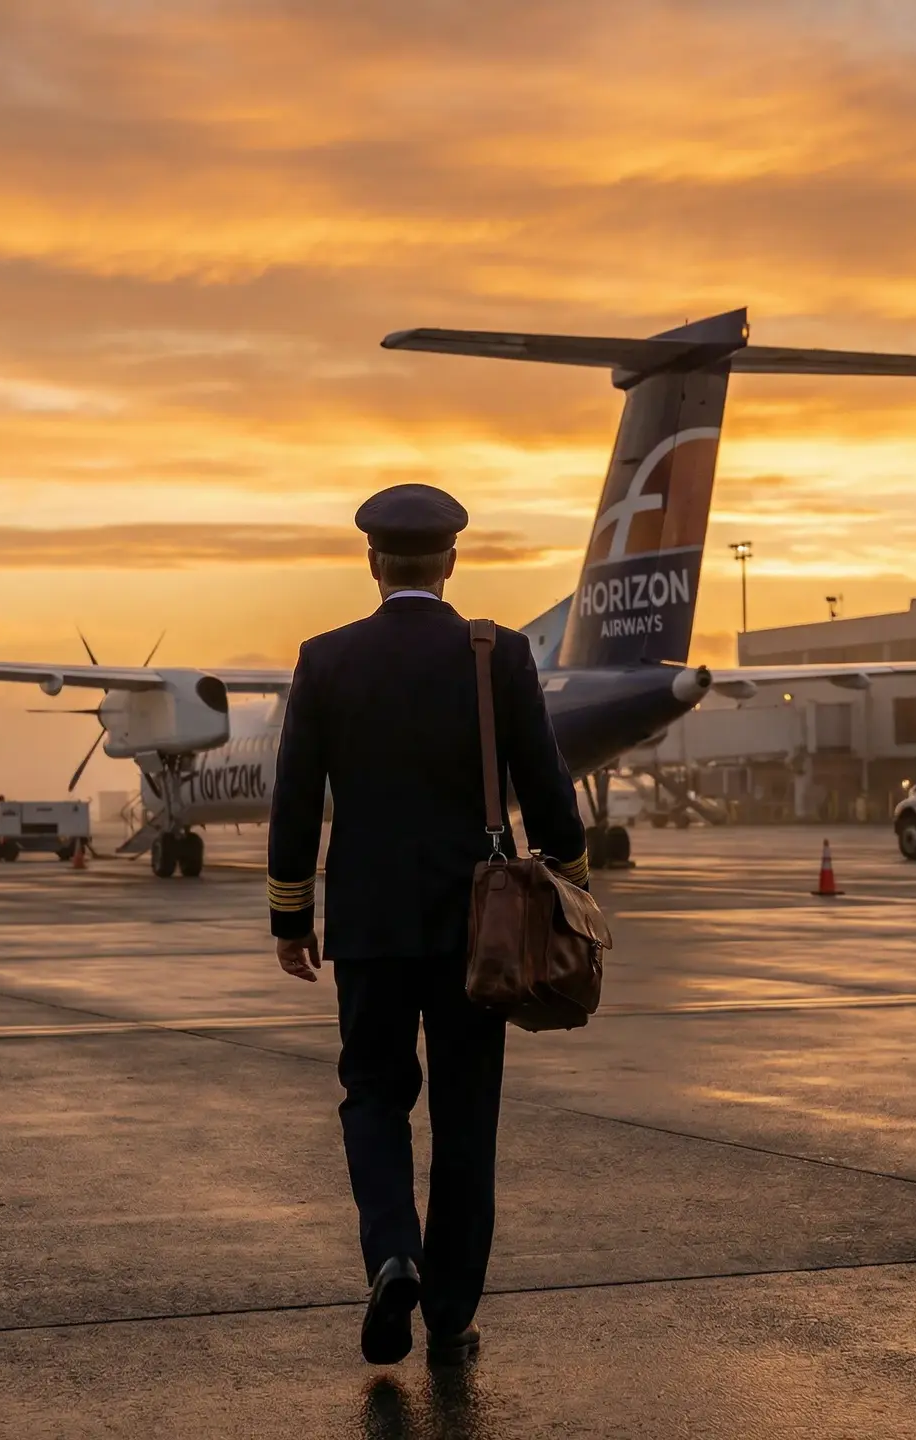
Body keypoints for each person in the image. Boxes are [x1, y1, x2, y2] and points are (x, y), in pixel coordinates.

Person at [267, 482, 588, 1367]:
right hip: (475, 931)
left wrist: (291, 915)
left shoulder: (325, 660)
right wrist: (573, 882)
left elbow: (295, 801)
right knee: (465, 1116)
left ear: (372, 564)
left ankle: (392, 1254)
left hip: (367, 928)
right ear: (450, 563)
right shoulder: (498, 656)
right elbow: (549, 788)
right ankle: (449, 1310)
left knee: (372, 1096)